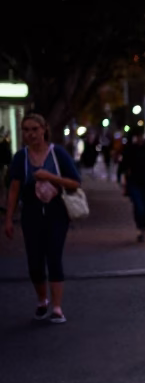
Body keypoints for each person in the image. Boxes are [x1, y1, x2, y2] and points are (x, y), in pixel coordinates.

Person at [3, 112, 82, 323]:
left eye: (34, 129)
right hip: (31, 214)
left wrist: (50, 177)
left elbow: (75, 182)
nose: (31, 134)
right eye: (26, 130)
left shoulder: (58, 154)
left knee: (54, 256)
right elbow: (14, 189)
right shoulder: (21, 158)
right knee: (35, 261)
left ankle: (57, 308)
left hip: (57, 213)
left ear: (44, 129)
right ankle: (42, 300)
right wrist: (9, 218)